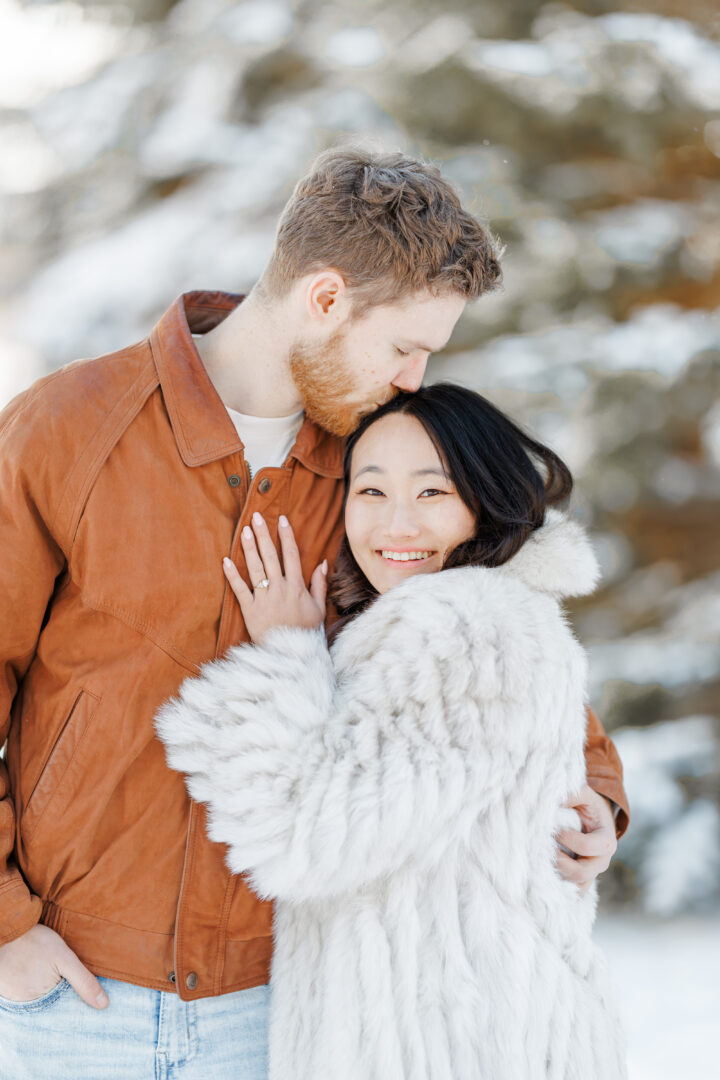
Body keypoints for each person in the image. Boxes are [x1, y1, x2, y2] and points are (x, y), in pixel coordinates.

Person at [0, 147, 628, 1078]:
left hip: (284, 1011)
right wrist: (5, 928)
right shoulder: (70, 426)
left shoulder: (380, 473)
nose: (414, 376)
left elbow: (484, 630)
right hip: (75, 997)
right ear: (327, 300)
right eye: (405, 345)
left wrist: (598, 798)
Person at [155, 382, 628, 1079]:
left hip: (454, 1044)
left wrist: (283, 656)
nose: (394, 526)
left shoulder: (467, 629)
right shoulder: (449, 615)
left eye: (432, 494)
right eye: (371, 492)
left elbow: (307, 833)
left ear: (485, 501)